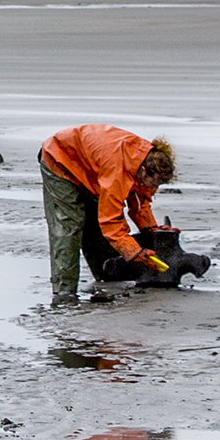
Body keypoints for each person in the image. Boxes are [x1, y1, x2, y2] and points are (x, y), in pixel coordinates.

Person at [39, 124, 177, 306]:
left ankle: (108, 276)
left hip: (90, 169)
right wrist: (134, 252)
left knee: (94, 226)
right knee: (68, 226)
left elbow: (140, 200)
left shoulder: (146, 160)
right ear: (144, 171)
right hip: (60, 159)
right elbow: (111, 223)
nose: (154, 188)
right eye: (155, 182)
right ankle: (64, 291)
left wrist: (151, 230)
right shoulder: (117, 171)